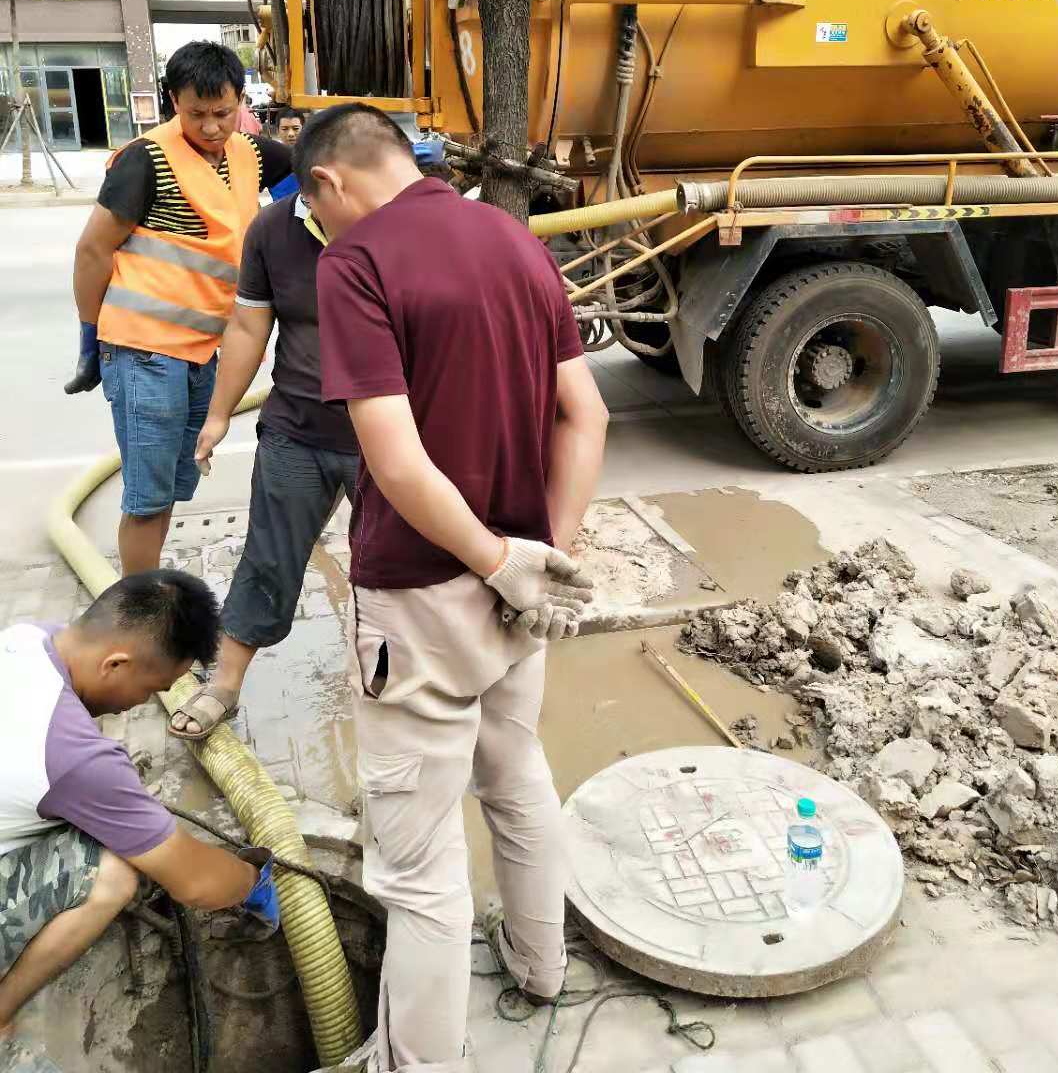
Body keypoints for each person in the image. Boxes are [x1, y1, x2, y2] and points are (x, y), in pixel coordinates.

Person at [295, 104, 610, 1073]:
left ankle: (423, 1064)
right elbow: (585, 414)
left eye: (312, 207)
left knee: (421, 868)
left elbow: (394, 461)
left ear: (330, 185)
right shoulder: (513, 241)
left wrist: (494, 560)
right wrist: (537, 556)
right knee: (516, 773)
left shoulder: (354, 264)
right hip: (516, 587)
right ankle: (542, 964)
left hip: (426, 595)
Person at [0, 571, 278, 1070]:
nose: (144, 702)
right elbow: (195, 884)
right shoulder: (75, 757)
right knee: (113, 869)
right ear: (116, 664)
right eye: (154, 687)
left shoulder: (25, 639)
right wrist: (251, 880)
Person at [66, 42, 293, 577]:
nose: (212, 127)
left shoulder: (251, 153)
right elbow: (93, 250)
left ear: (242, 101)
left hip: (201, 352)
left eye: (223, 113)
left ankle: (148, 595)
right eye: (196, 114)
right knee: (147, 496)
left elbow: (313, 175)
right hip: (143, 349)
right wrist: (88, 333)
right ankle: (139, 609)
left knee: (171, 484)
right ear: (173, 101)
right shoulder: (146, 160)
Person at [168, 166, 357, 739]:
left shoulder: (401, 228)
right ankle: (224, 683)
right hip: (296, 428)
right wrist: (220, 413)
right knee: (269, 556)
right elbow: (250, 326)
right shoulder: (274, 229)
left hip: (389, 438)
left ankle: (394, 680)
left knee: (392, 568)